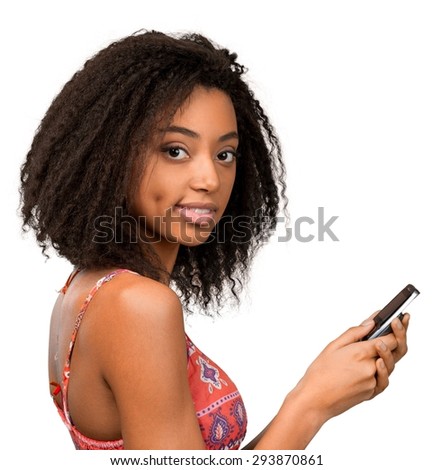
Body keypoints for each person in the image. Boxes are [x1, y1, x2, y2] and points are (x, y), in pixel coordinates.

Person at [19, 30, 409, 450]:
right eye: (175, 150)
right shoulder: (137, 307)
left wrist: (318, 385)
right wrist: (310, 404)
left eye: (225, 154)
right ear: (109, 155)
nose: (209, 179)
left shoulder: (86, 288)